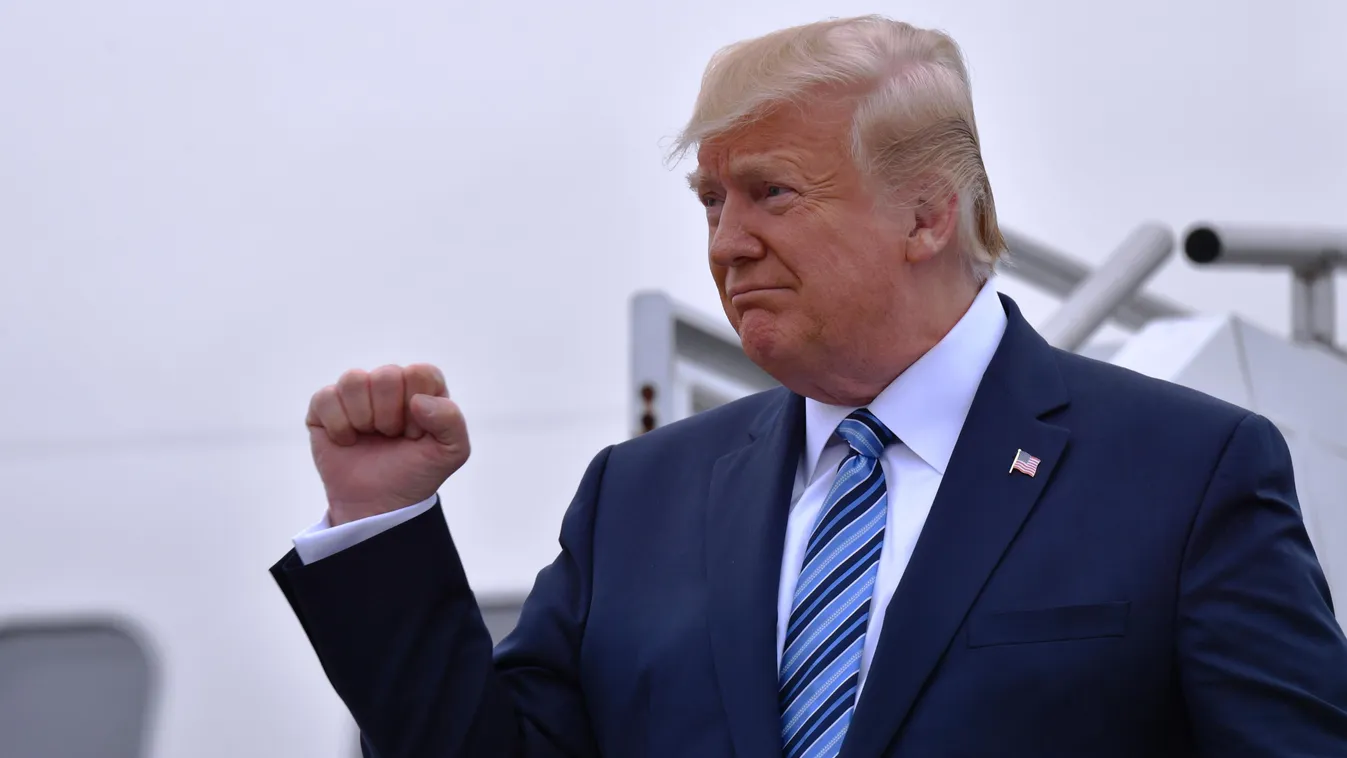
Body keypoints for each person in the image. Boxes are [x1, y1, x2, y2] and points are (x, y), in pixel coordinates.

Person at [271, 15, 1347, 758]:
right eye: (710, 201)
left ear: (928, 214)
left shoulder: (1183, 472)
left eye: (771, 193)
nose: (727, 243)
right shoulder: (637, 498)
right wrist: (383, 521)